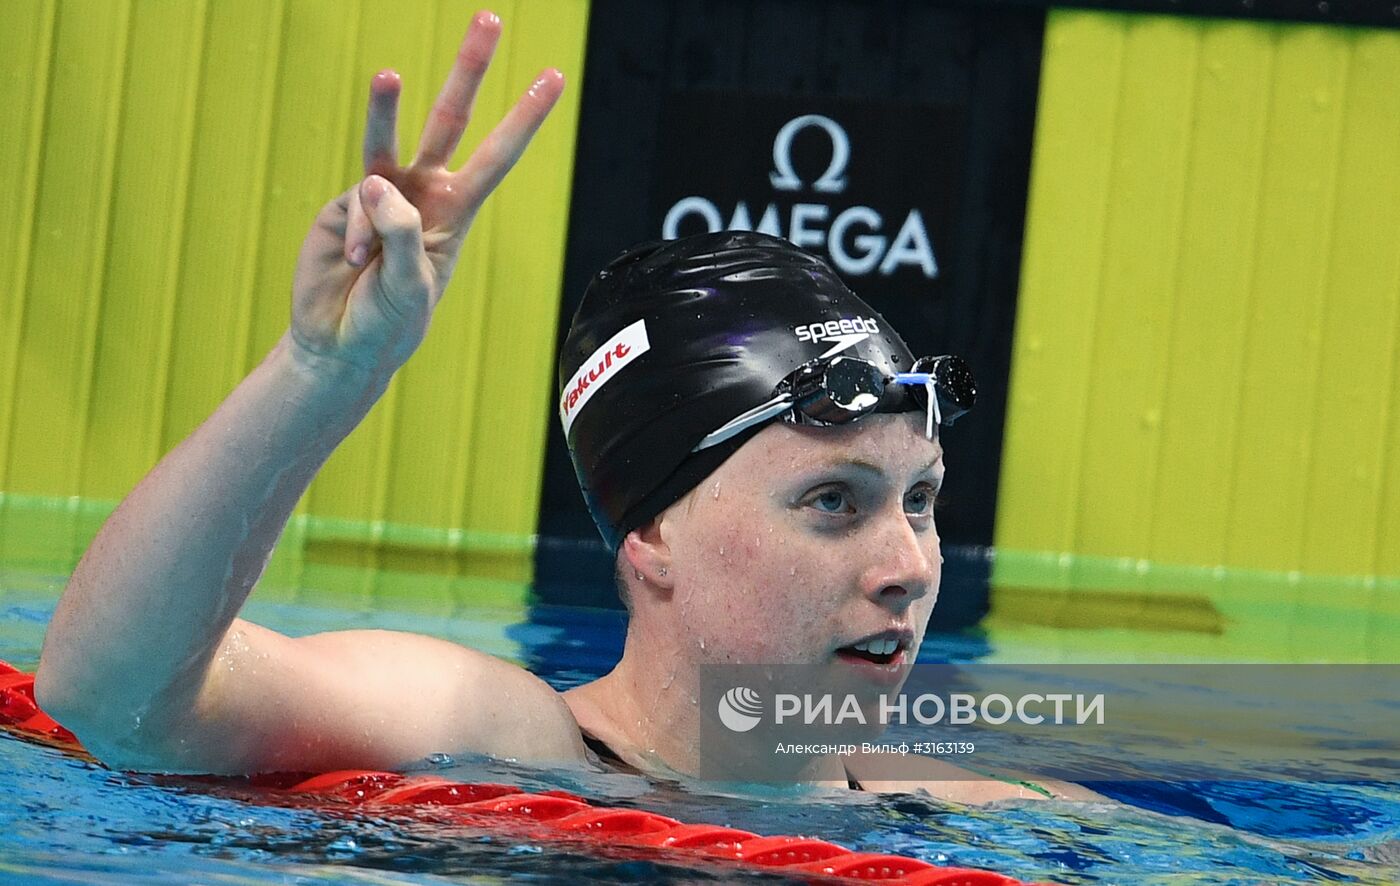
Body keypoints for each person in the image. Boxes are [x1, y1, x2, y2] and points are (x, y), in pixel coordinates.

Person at [35, 11, 1093, 803]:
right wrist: (321, 371)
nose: (907, 565)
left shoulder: (971, 812)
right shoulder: (498, 741)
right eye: (831, 500)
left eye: (919, 499)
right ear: (651, 534)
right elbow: (110, 694)